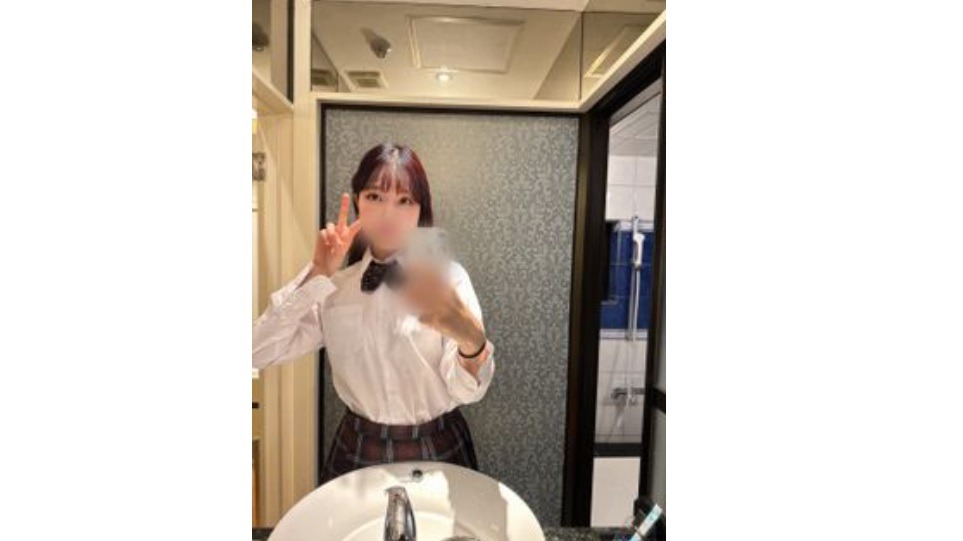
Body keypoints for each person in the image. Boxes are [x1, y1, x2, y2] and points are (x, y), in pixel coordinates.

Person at [252, 142, 495, 484]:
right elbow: (256, 351)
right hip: (357, 447)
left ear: (421, 209)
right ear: (357, 202)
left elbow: (468, 391)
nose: (388, 214)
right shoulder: (333, 288)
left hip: (438, 446)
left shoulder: (448, 279)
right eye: (375, 196)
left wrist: (472, 341)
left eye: (404, 200)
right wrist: (318, 272)